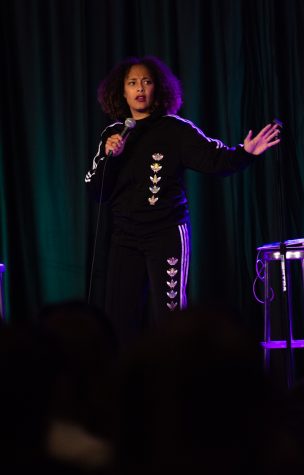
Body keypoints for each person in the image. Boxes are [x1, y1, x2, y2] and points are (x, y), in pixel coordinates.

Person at [85, 55, 280, 349]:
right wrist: (111, 157)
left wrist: (245, 152)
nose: (140, 89)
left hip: (166, 233)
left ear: (158, 89)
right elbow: (96, 191)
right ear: (121, 91)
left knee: (172, 317)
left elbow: (216, 159)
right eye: (133, 83)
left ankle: (178, 382)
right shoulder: (112, 135)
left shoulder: (175, 129)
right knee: (119, 318)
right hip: (125, 237)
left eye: (147, 82)